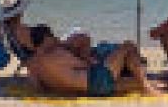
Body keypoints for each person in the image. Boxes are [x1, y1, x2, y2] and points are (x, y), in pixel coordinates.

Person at [26, 29, 158, 98]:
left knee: (134, 83)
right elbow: (87, 65)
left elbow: (39, 88)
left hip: (87, 91)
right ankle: (147, 87)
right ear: (47, 39)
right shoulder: (56, 54)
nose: (56, 40)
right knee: (128, 46)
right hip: (98, 80)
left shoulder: (31, 64)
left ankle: (148, 84)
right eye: (53, 38)